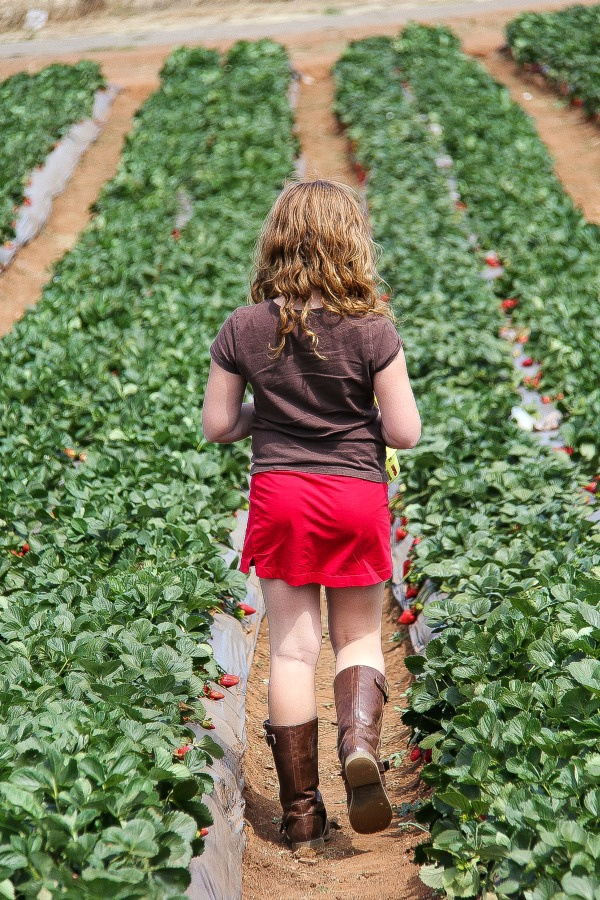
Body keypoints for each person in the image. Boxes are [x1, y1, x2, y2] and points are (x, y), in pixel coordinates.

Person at [201, 178, 421, 852]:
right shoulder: (373, 330)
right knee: (356, 640)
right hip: (353, 496)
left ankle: (301, 814)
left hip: (281, 498)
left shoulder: (243, 327)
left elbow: (216, 425)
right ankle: (357, 745)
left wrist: (265, 413)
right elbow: (405, 431)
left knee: (293, 651)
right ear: (350, 245)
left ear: (276, 244)